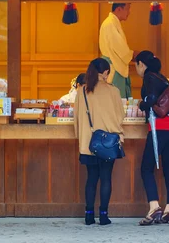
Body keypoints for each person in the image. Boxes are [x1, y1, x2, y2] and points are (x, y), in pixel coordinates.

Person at [74, 58, 124, 226]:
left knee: (91, 178)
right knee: (106, 178)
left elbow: (77, 119)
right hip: (108, 143)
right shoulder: (114, 91)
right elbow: (120, 117)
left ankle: (88, 215)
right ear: (105, 73)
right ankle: (103, 215)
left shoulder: (82, 91)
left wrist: (81, 139)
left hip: (89, 143)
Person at [135, 50, 169, 226]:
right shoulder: (163, 78)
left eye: (136, 65)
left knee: (146, 168)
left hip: (158, 128)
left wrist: (142, 104)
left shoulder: (148, 77)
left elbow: (151, 98)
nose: (137, 69)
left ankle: (154, 207)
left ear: (141, 64)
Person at [99, 3, 134, 98]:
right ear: (119, 9)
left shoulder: (113, 22)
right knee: (116, 99)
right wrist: (133, 55)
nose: (129, 12)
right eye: (127, 9)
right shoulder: (110, 23)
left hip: (115, 64)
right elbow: (120, 47)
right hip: (113, 67)